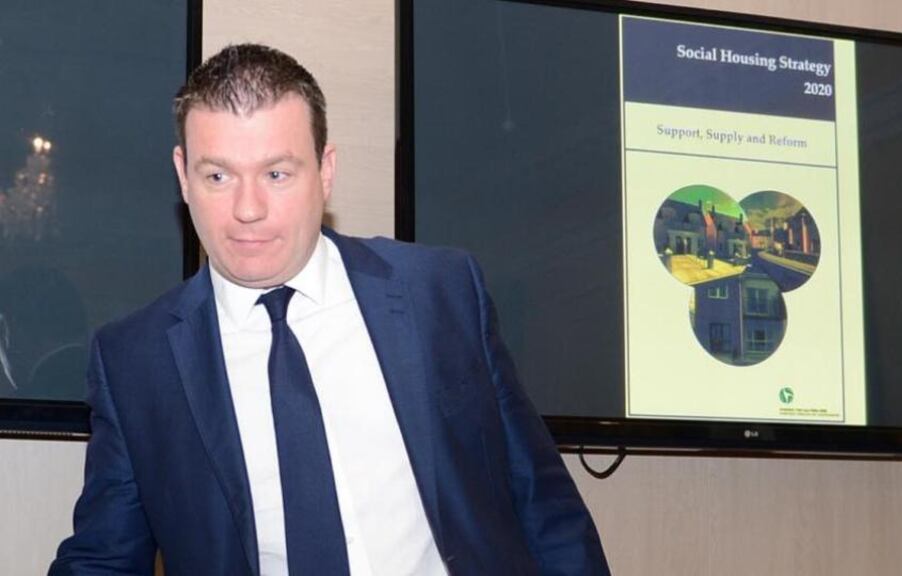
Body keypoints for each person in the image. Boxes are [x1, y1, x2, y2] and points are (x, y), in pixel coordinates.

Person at [49, 44, 609, 575]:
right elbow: (103, 557)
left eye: (277, 173)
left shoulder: (440, 292)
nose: (247, 209)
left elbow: (544, 503)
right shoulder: (134, 362)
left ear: (326, 169)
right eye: (218, 176)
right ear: (183, 175)